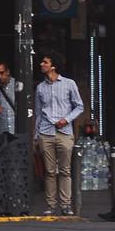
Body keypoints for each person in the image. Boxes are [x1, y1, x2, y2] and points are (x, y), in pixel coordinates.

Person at [34, 53, 84, 216]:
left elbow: (79, 106)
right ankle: (51, 205)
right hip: (46, 132)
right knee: (49, 171)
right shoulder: (40, 87)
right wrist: (36, 135)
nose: (42, 64)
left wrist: (66, 119)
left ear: (53, 66)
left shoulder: (69, 84)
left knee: (65, 170)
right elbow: (38, 113)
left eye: (45, 62)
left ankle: (65, 205)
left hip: (64, 132)